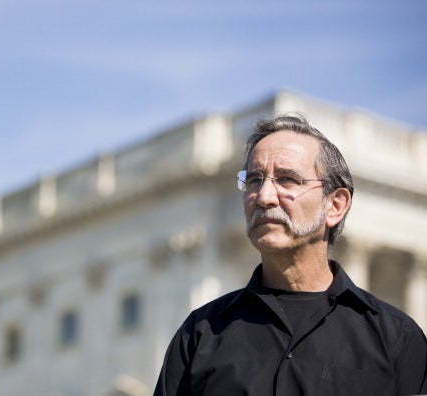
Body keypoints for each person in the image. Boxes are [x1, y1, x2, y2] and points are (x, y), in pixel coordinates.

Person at [154, 115, 427, 395]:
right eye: (254, 180)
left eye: (287, 179)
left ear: (335, 205)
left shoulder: (399, 340)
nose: (264, 197)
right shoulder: (199, 334)